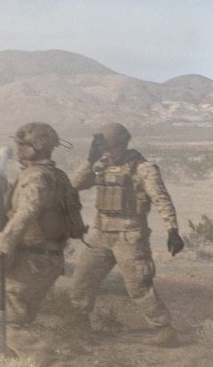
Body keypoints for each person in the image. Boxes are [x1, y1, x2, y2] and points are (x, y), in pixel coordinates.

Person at [0, 122, 76, 367]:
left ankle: (50, 364)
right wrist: (8, 189)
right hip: (44, 260)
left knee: (4, 323)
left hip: (29, 261)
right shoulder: (54, 176)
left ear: (31, 148)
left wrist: (3, 245)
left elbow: (29, 209)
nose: (18, 151)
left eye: (22, 146)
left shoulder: (35, 177)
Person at [69, 122, 184, 347]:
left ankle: (164, 330)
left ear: (124, 144)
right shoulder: (101, 165)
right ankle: (78, 328)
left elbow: (162, 199)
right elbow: (74, 185)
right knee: (82, 279)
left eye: (111, 148)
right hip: (102, 235)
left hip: (130, 236)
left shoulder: (143, 168)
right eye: (104, 149)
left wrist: (172, 230)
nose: (108, 153)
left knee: (139, 286)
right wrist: (90, 160)